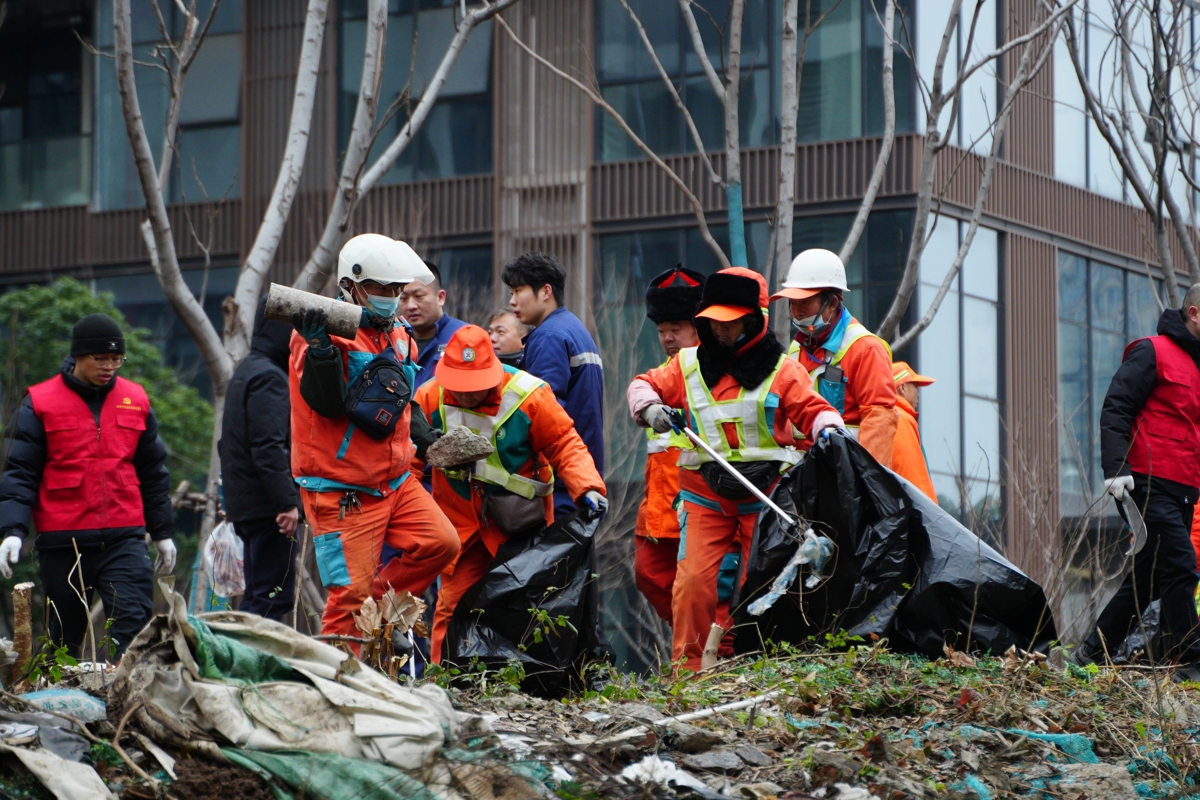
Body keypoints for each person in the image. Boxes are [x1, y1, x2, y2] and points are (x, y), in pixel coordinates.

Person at [627, 268, 844, 670]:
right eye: (713, 321)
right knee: (691, 584)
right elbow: (643, 384)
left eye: (729, 322)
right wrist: (648, 407)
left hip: (764, 496)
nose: (720, 331)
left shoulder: (783, 370)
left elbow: (817, 412)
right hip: (703, 493)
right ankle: (687, 677)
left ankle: (752, 669)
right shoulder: (687, 365)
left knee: (756, 587)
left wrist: (829, 431)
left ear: (753, 320)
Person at [289, 233, 459, 640]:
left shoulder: (399, 335)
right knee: (348, 600)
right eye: (383, 288)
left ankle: (379, 610)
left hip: (395, 481)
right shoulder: (318, 333)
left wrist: (431, 440)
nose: (393, 297)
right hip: (341, 489)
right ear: (352, 285)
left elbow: (402, 403)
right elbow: (325, 403)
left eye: (397, 289)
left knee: (441, 543)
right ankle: (341, 693)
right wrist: (321, 350)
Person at [411, 326, 606, 661]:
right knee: (452, 608)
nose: (467, 395)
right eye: (460, 387)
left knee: (523, 611)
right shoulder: (429, 397)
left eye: (474, 388)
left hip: (518, 526)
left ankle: (523, 686)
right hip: (459, 526)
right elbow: (410, 462)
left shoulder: (530, 396)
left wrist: (587, 486)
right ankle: (444, 686)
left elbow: (564, 445)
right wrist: (412, 517)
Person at [0, 314, 175, 657]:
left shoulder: (135, 399)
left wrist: (163, 531)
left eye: (117, 359)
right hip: (64, 543)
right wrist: (12, 531)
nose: (110, 366)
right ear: (78, 356)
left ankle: (127, 705)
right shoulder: (40, 402)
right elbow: (19, 473)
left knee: (134, 631)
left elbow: (153, 472)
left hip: (125, 536)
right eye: (101, 358)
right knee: (63, 643)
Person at [1076, 286, 1200, 681]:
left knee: (1146, 583)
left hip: (1184, 486)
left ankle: (1088, 655)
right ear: (1194, 313)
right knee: (1182, 566)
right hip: (1147, 481)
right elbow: (1117, 406)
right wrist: (1115, 469)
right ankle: (1193, 661)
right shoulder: (1152, 350)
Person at [772, 249, 897, 467]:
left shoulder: (865, 349)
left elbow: (880, 421)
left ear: (832, 302)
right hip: (803, 481)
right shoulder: (795, 351)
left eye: (805, 302)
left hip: (846, 477)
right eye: (793, 303)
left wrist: (865, 482)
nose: (797, 312)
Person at [503, 252, 605, 518]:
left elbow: (543, 413)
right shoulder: (574, 328)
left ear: (545, 291)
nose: (512, 301)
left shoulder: (548, 336)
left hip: (561, 481)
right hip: (582, 474)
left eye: (518, 290)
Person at [218, 296, 301, 622]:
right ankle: (245, 670)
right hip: (268, 508)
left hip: (249, 505)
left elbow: (228, 443)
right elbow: (268, 445)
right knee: (271, 599)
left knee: (257, 594)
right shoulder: (270, 378)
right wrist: (286, 502)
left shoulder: (247, 370)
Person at [401, 262, 467, 388]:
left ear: (440, 297)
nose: (410, 306)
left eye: (418, 296)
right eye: (403, 298)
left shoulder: (464, 337)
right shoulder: (393, 341)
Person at [889, 361, 938, 502]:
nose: (919, 395)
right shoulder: (901, 419)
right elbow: (913, 474)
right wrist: (934, 517)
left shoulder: (887, 416)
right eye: (915, 387)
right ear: (902, 388)